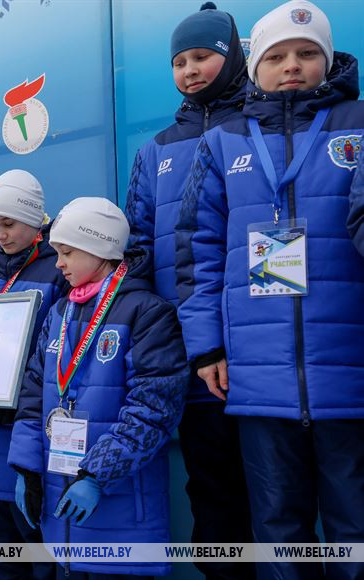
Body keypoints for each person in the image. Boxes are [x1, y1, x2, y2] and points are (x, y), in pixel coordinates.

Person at [175, 2, 364, 578]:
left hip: (348, 373)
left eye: (307, 55)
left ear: (328, 62)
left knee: (354, 525)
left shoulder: (356, 124)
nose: (292, 66)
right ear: (253, 66)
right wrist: (206, 347)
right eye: (276, 56)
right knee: (279, 526)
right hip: (256, 376)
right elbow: (197, 252)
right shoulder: (224, 143)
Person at [123, 4, 255, 578]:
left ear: (232, 57)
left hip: (263, 343)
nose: (190, 69)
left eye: (202, 56)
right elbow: (138, 248)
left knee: (281, 488)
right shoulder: (154, 151)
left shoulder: (261, 126)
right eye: (179, 61)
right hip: (193, 356)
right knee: (213, 486)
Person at [10, 198, 188, 578]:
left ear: (100, 249)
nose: (58, 263)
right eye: (57, 252)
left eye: (67, 252)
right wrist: (27, 468)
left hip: (121, 509)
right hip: (63, 515)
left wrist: (96, 475)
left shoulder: (146, 313)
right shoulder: (60, 312)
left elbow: (153, 409)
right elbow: (32, 391)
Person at [0, 169, 67, 580]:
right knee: (0, 553)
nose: (0, 234)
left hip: (28, 429)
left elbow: (57, 350)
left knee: (39, 556)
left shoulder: (56, 268)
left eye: (8, 224)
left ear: (36, 219)